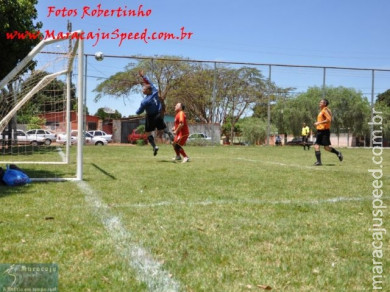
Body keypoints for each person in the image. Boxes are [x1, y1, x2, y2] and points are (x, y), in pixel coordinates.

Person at [136, 70, 173, 156]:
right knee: (162, 128)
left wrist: (137, 111)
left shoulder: (144, 101)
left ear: (148, 90)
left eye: (144, 89)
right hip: (158, 114)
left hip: (151, 117)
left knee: (148, 132)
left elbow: (139, 111)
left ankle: (154, 146)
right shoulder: (155, 91)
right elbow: (150, 82)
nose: (142, 90)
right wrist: (143, 76)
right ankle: (169, 133)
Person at [313, 99, 343, 166]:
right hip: (319, 131)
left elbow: (328, 120)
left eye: (321, 102)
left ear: (325, 104)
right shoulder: (322, 111)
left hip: (324, 131)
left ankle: (338, 153)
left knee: (326, 148)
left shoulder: (325, 110)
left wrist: (318, 123)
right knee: (316, 145)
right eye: (320, 102)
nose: (319, 103)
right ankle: (319, 162)